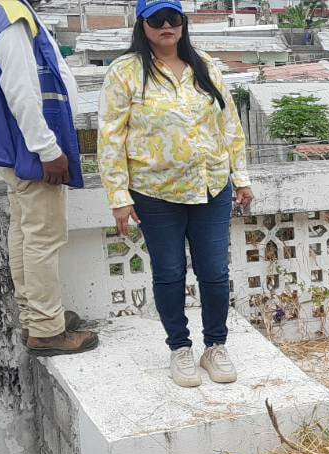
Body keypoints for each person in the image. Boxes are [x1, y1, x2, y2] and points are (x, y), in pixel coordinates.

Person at [97, 0, 254, 388]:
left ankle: (215, 345)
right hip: (155, 193)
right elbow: (110, 137)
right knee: (169, 272)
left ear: (183, 23)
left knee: (214, 272)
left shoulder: (205, 65)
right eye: (156, 19)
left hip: (211, 187)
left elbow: (229, 126)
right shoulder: (126, 72)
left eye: (174, 18)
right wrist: (119, 196)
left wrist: (241, 177)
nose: (166, 25)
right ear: (143, 25)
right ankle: (180, 348)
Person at [0, 0, 97, 356]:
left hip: (13, 143)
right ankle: (47, 329)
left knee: (23, 231)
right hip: (31, 148)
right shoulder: (12, 16)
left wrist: (0, 120)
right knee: (43, 236)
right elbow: (21, 89)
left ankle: (35, 317)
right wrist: (47, 149)